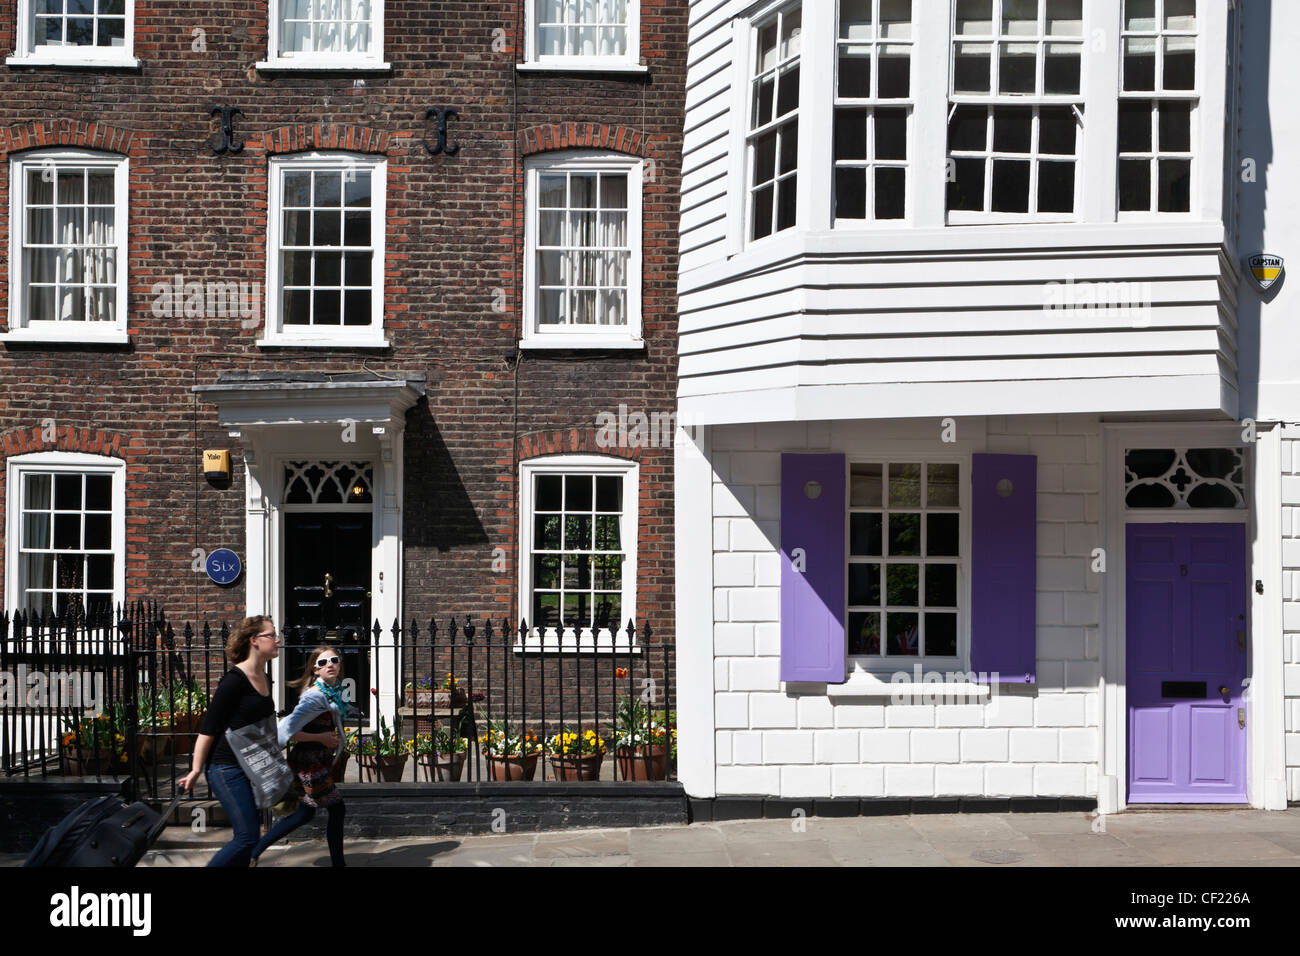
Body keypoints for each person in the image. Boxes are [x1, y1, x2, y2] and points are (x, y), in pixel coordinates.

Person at [178, 615, 280, 868]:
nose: (277, 640)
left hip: (251, 766)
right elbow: (208, 729)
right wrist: (195, 770)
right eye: (272, 635)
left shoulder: (264, 677)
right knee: (247, 837)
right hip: (226, 768)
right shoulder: (233, 681)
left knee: (246, 839)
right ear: (254, 640)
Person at [249, 645, 349, 867]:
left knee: (305, 814)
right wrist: (322, 738)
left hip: (316, 761)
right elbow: (288, 732)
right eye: (323, 663)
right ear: (315, 670)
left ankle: (254, 852)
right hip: (309, 763)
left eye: (334, 660)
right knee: (336, 808)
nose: (330, 665)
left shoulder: (330, 691)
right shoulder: (314, 696)